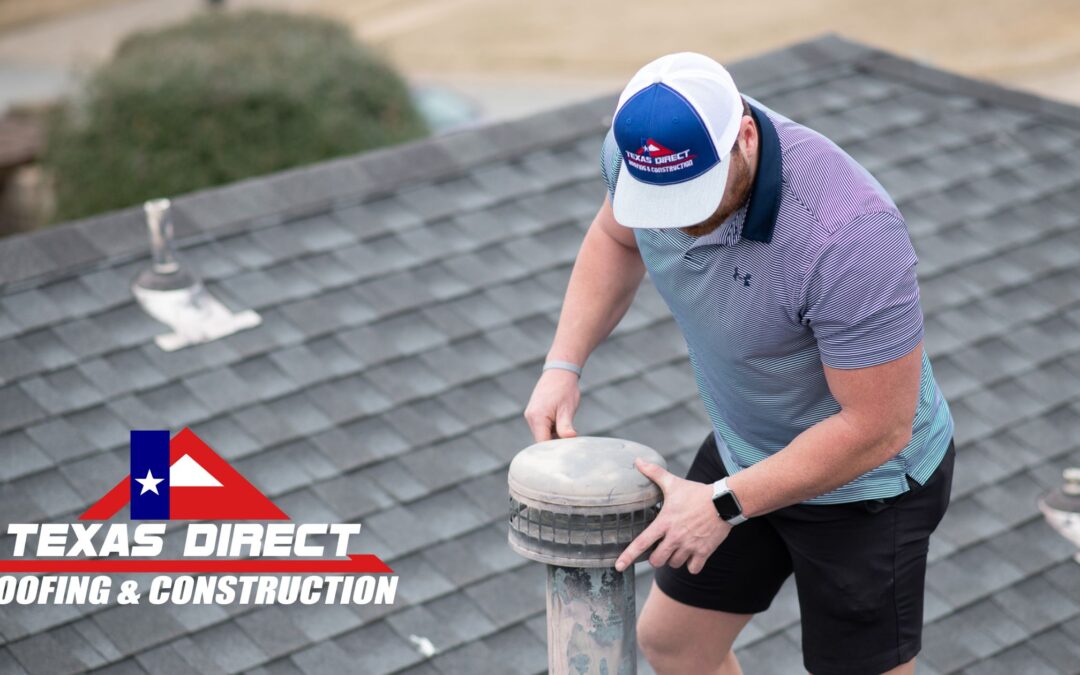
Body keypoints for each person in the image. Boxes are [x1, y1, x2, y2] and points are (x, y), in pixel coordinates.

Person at [523, 52, 955, 675]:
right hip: (744, 448)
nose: (679, 221)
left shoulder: (850, 235)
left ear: (745, 135)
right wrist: (563, 365)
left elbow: (878, 429)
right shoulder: (639, 153)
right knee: (673, 644)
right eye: (661, 203)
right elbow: (617, 238)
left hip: (867, 489)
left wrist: (725, 503)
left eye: (695, 196)